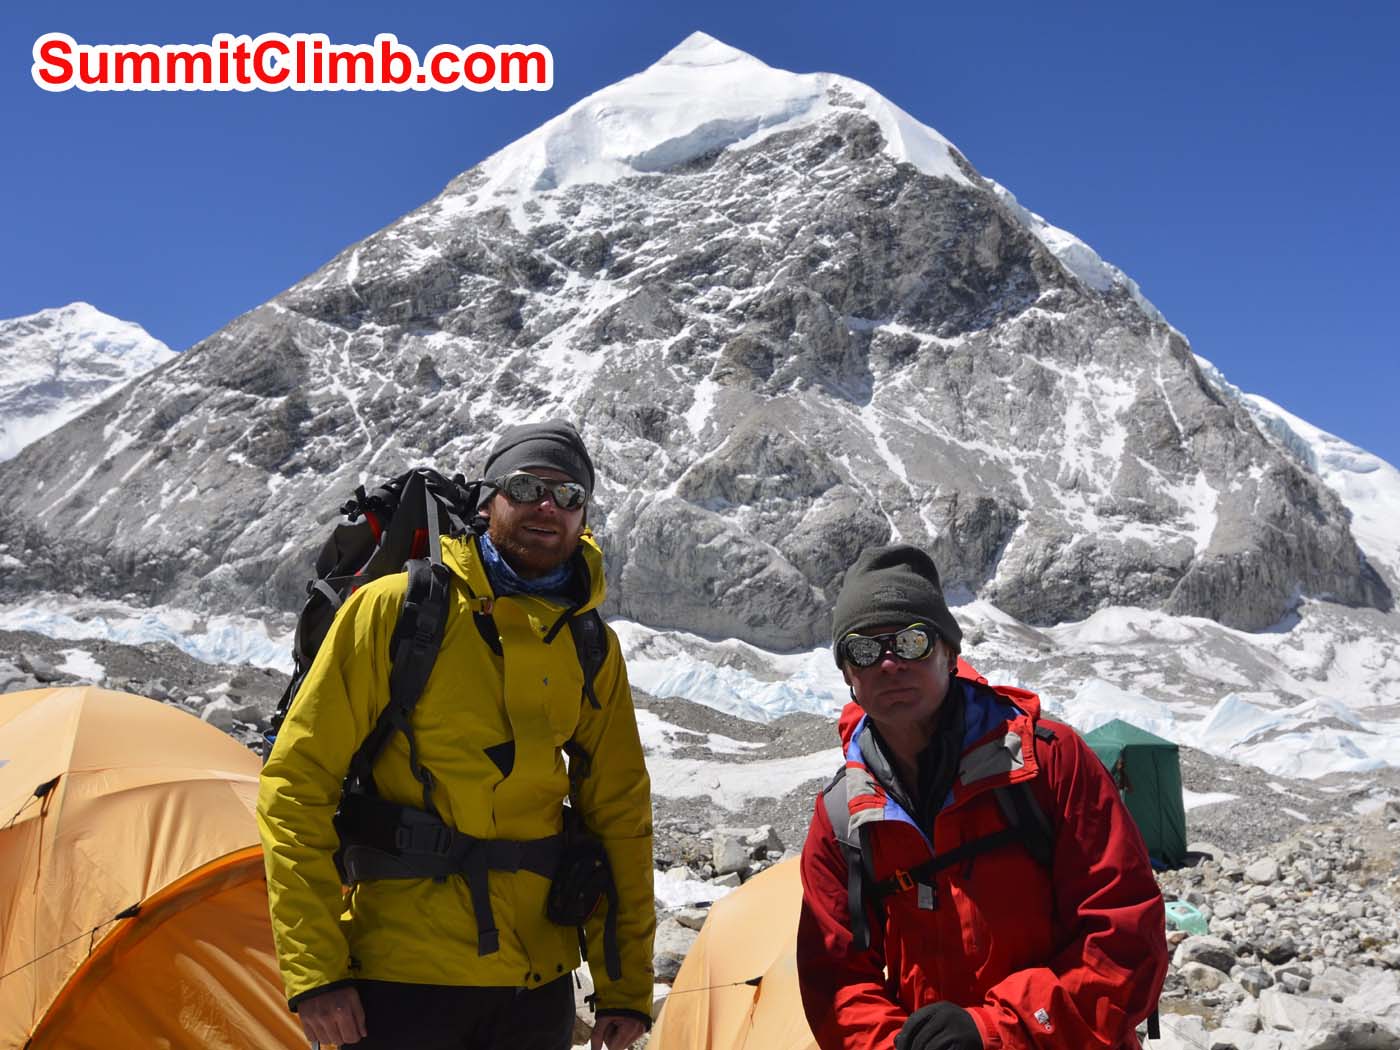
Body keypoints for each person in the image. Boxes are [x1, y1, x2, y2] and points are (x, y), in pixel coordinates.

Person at [258, 420, 655, 1050]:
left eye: (569, 495)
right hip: (398, 980)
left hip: (537, 984)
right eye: (524, 487)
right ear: (487, 499)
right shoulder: (398, 609)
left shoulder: (590, 644)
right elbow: (295, 785)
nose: (547, 507)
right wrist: (316, 973)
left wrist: (626, 987)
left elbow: (621, 817)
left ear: (585, 519)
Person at [796, 544, 1167, 1050]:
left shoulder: (1049, 765)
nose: (889, 663)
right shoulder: (843, 818)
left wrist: (995, 1031)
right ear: (847, 675)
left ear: (950, 653)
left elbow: (1125, 940)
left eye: (912, 641)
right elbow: (836, 980)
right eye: (864, 648)